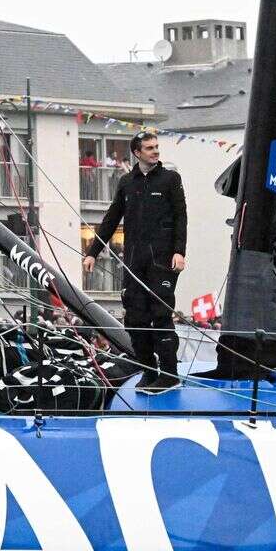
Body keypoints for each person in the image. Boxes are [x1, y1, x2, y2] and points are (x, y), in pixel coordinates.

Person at [83, 131, 186, 394]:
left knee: (160, 315)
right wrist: (93, 251)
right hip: (133, 261)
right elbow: (111, 219)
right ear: (137, 153)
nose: (155, 151)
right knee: (135, 318)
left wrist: (179, 251)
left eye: (156, 147)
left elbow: (181, 217)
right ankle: (149, 370)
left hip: (163, 260)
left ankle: (170, 373)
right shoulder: (127, 182)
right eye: (149, 148)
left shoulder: (170, 179)